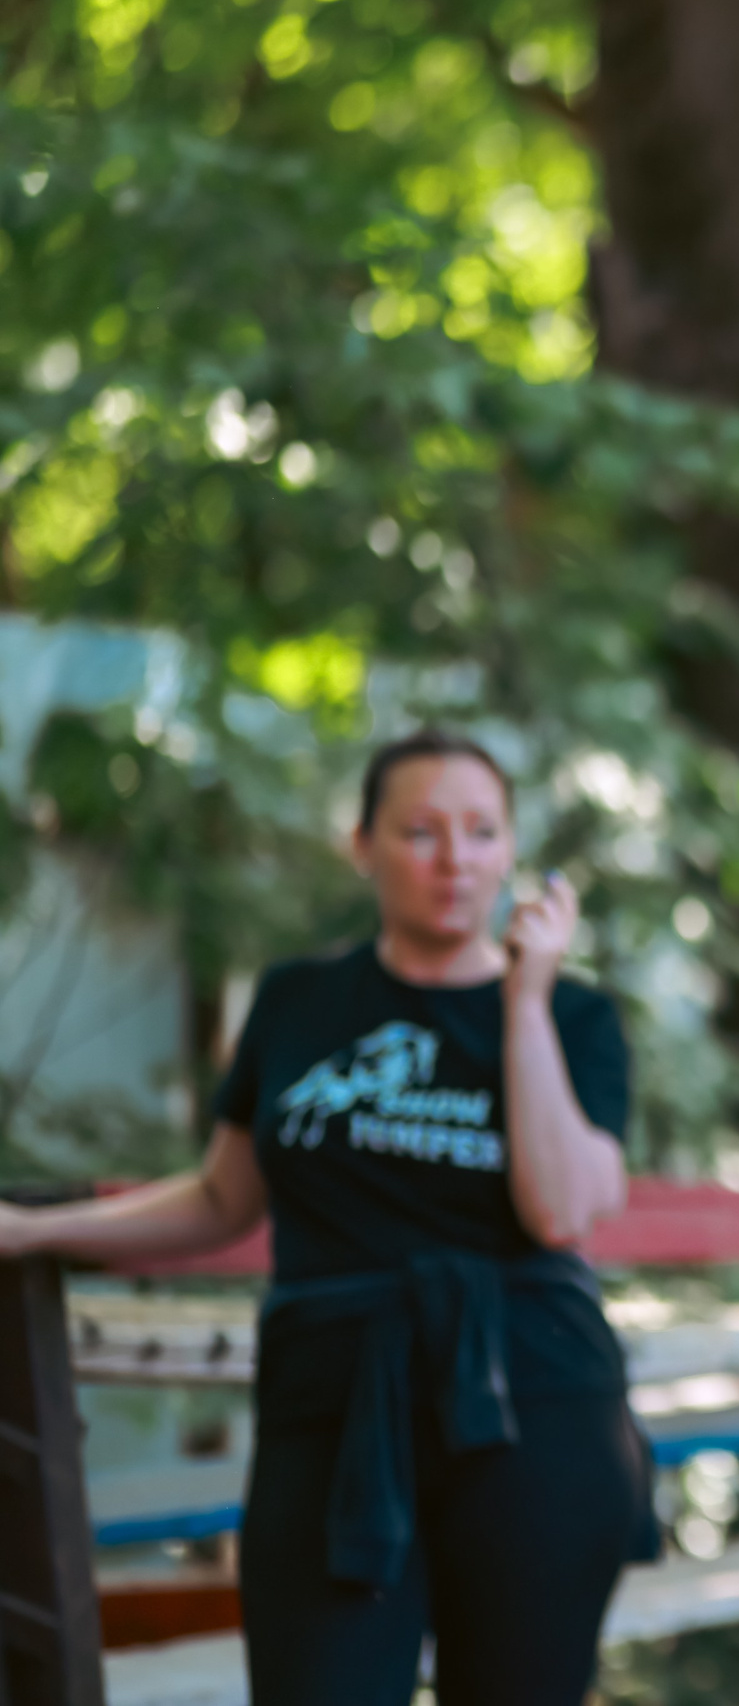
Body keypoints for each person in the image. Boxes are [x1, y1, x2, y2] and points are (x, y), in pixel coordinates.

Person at [0, 729, 651, 1706]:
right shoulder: (300, 1001)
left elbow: (558, 1208)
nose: (453, 858)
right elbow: (223, 1196)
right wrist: (33, 1231)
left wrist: (525, 999)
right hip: (332, 1409)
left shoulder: (577, 1020)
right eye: (420, 830)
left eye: (480, 831)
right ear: (363, 846)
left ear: (511, 851)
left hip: (532, 1408)